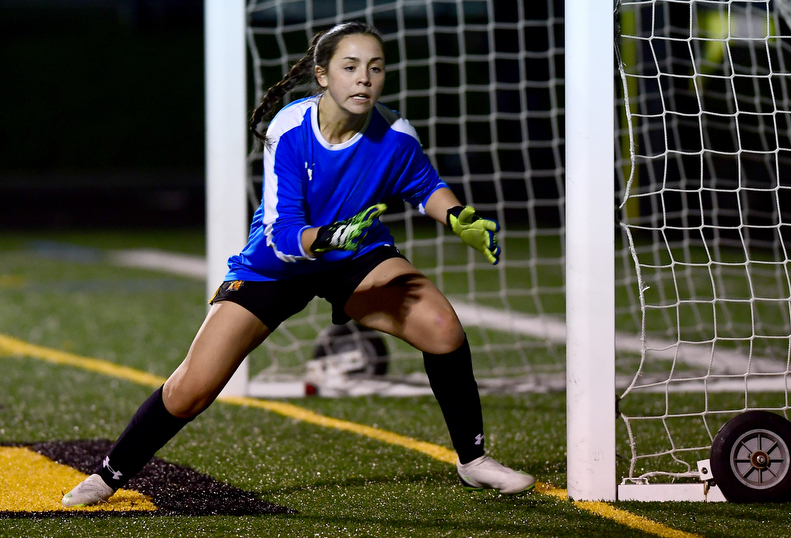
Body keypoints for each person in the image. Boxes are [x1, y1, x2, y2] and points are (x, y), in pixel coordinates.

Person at [62, 21, 535, 507]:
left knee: (442, 328)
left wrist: (457, 215)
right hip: (276, 264)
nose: (364, 79)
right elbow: (284, 233)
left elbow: (423, 185)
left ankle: (473, 461)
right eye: (350, 67)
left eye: (375, 68)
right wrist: (327, 236)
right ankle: (108, 475)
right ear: (323, 75)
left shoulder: (394, 133)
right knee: (192, 389)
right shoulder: (290, 128)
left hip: (355, 253)